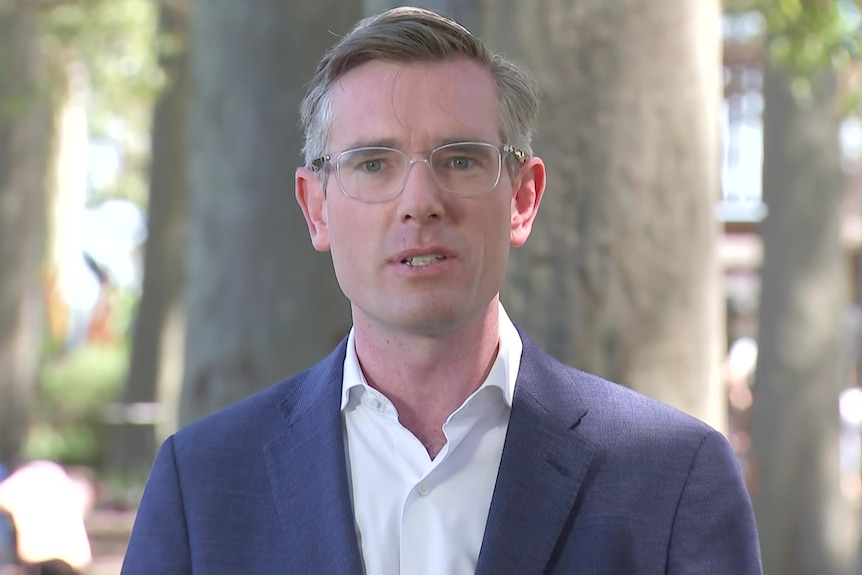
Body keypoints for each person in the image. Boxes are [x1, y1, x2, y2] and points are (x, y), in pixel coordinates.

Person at [122, 6, 762, 574]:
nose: (420, 202)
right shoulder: (201, 484)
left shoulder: (674, 480)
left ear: (522, 198)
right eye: (373, 163)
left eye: (459, 159)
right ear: (315, 208)